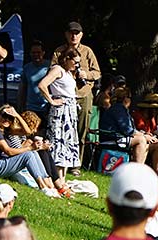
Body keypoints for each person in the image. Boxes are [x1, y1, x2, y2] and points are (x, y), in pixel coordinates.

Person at [50, 21, 99, 168]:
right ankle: (59, 162)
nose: (74, 35)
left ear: (81, 35)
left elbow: (97, 73)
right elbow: (51, 70)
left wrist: (86, 74)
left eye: (77, 33)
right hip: (64, 96)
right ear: (66, 34)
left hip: (83, 95)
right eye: (71, 32)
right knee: (61, 130)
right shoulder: (59, 51)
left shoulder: (87, 51)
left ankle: (76, 164)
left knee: (81, 130)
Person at [0, 104, 63, 196]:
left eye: (10, 117)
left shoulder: (6, 130)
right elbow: (9, 151)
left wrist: (16, 115)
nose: (6, 119)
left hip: (3, 163)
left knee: (34, 152)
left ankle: (48, 185)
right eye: (4, 116)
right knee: (29, 154)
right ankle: (44, 187)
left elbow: (27, 132)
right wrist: (29, 147)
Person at [37, 47, 80, 179]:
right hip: (61, 112)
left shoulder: (68, 73)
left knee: (67, 144)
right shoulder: (57, 69)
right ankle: (55, 177)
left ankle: (62, 179)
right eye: (75, 61)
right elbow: (42, 85)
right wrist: (51, 100)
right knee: (58, 142)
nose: (77, 65)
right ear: (67, 59)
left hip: (70, 112)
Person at [98, 87, 154, 166]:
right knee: (141, 140)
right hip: (113, 138)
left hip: (118, 136)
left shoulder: (122, 109)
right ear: (125, 99)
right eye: (129, 97)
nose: (130, 100)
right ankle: (136, 170)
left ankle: (139, 168)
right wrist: (143, 135)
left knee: (145, 141)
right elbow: (127, 130)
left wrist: (143, 134)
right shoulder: (118, 109)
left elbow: (130, 129)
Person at [19, 41, 49, 120]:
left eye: (38, 52)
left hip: (46, 107)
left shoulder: (49, 67)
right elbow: (23, 88)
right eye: (33, 52)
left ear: (43, 53)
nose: (36, 55)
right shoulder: (27, 68)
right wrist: (21, 105)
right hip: (31, 107)